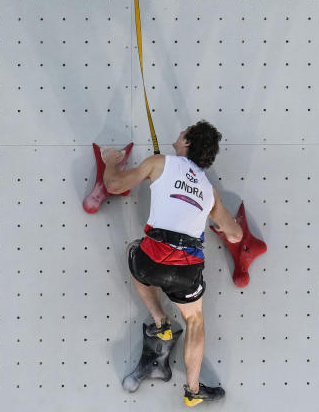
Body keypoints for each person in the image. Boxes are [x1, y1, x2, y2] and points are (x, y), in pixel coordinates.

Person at [102, 121, 243, 406]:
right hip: (188, 270)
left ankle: (160, 321)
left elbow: (114, 185)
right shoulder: (209, 190)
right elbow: (236, 234)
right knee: (195, 320)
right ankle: (193, 392)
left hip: (152, 260)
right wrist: (219, 227)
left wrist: (108, 163)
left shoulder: (159, 162)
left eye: (183, 133)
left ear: (187, 143)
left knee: (134, 255)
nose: (178, 134)